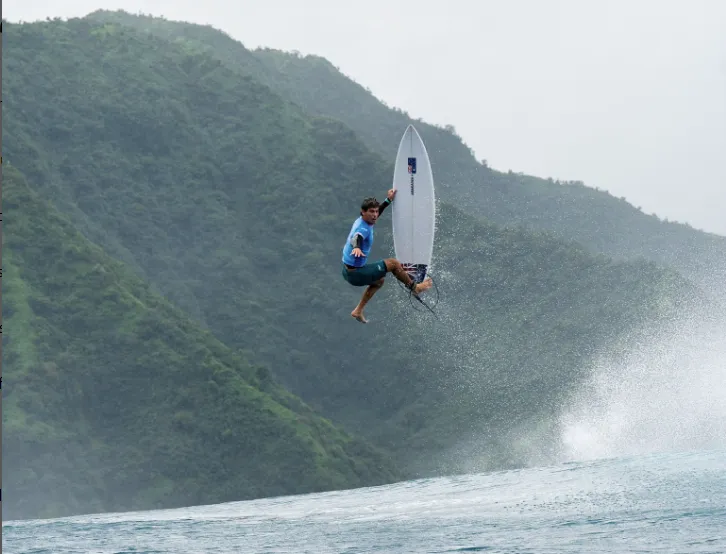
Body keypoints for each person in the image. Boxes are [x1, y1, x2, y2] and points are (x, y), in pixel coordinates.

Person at [341, 189, 433, 323]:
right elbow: (357, 237)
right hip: (356, 273)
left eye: (376, 211)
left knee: (379, 281)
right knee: (393, 264)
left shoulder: (363, 220)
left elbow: (376, 214)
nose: (375, 215)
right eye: (371, 212)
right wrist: (356, 247)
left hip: (347, 270)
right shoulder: (363, 228)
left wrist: (388, 200)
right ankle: (415, 288)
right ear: (363, 212)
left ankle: (358, 310)